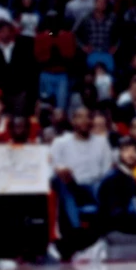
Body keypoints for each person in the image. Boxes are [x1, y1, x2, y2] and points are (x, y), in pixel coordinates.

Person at [48, 106, 114, 258]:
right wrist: (62, 171)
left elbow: (106, 172)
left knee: (109, 183)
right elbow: (52, 169)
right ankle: (76, 230)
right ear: (73, 121)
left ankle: (94, 239)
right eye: (80, 117)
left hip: (94, 187)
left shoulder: (102, 142)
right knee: (62, 182)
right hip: (71, 185)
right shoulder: (60, 142)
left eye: (88, 117)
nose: (84, 120)